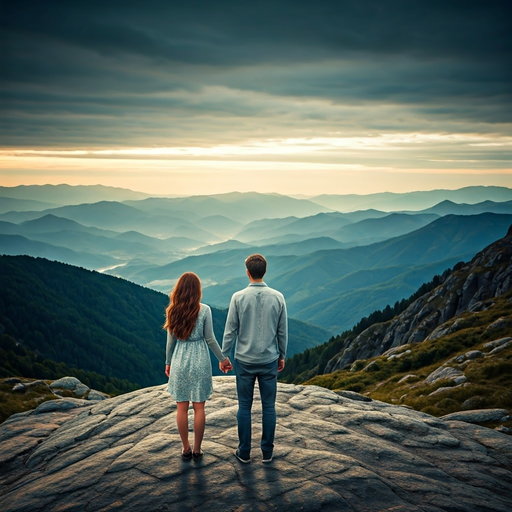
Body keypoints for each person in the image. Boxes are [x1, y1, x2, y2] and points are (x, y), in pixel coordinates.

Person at [220, 254, 288, 464]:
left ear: (247, 272)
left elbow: (230, 330)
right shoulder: (278, 297)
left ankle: (244, 452)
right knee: (269, 407)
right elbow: (282, 331)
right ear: (264, 271)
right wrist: (282, 355)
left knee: (244, 407)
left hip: (244, 361)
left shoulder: (238, 297)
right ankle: (267, 453)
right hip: (269, 359)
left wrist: (224, 356)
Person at [164, 272, 232, 460]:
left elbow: (170, 342)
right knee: (199, 408)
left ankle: (185, 448)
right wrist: (223, 359)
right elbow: (209, 338)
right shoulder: (204, 310)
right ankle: (197, 449)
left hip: (180, 359)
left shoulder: (172, 310)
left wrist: (168, 362)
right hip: (200, 359)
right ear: (197, 290)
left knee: (182, 408)